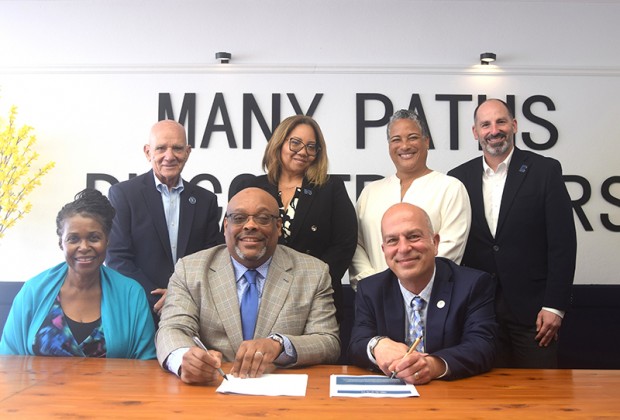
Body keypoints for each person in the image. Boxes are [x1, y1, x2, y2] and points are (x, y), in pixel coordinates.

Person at [155, 187, 340, 385]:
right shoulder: (190, 270)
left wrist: (279, 345)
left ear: (278, 226)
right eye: (239, 218)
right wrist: (184, 359)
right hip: (212, 387)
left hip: (282, 391)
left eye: (263, 218)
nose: (250, 225)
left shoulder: (313, 272)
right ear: (226, 225)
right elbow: (172, 329)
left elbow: (328, 341)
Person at [448, 99, 577, 368]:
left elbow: (563, 243)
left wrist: (555, 306)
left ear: (514, 125)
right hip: (479, 313)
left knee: (540, 391)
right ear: (475, 132)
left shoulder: (545, 171)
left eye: (501, 122)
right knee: (485, 390)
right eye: (486, 124)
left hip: (535, 315)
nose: (494, 130)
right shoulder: (458, 178)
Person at [348, 203, 497, 383]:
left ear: (435, 243)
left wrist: (433, 365)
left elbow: (483, 346)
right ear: (384, 250)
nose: (403, 248)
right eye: (392, 240)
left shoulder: (472, 284)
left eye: (413, 236)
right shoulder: (370, 289)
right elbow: (357, 343)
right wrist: (376, 345)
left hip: (452, 393)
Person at [0, 189, 156, 359]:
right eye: (73, 239)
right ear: (61, 243)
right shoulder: (34, 290)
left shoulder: (131, 294)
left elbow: (145, 362)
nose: (84, 247)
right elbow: (8, 359)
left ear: (107, 240)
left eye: (94, 238)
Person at [230, 115, 357, 322]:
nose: (303, 152)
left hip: (315, 297)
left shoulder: (330, 188)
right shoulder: (252, 187)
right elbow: (232, 239)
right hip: (259, 292)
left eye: (311, 147)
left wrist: (311, 283)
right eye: (295, 143)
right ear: (279, 144)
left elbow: (344, 244)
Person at [106, 120, 222, 319]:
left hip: (192, 311)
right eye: (161, 148)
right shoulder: (123, 194)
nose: (169, 156)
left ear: (187, 152)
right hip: (140, 310)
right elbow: (117, 258)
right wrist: (157, 299)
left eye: (177, 148)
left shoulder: (206, 200)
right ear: (147, 152)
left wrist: (179, 296)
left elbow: (212, 260)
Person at [350, 109, 471, 288]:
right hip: (375, 297)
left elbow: (449, 250)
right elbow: (356, 247)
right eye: (396, 139)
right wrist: (376, 287)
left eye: (412, 137)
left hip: (430, 297)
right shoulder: (370, 192)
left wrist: (407, 289)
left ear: (426, 141)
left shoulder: (450, 188)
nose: (405, 146)